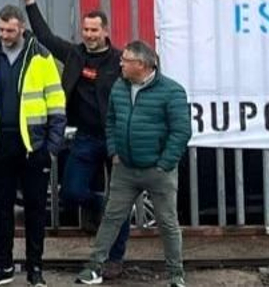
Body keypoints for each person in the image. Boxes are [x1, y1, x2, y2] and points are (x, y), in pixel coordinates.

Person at [17, 0, 127, 279]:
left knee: (120, 198)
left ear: (105, 31)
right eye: (86, 30)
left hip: (115, 137)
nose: (89, 35)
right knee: (73, 191)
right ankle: (99, 206)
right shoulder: (75, 55)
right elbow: (45, 36)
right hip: (86, 137)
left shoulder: (120, 61)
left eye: (94, 30)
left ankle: (115, 259)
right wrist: (31, 2)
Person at [0, 6, 66, 287]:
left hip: (33, 145)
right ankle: (4, 266)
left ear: (21, 27)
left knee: (34, 210)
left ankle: (35, 269)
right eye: (0, 30)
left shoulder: (40, 56)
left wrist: (51, 148)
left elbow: (57, 106)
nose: (4, 35)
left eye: (9, 30)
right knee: (2, 210)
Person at [75, 42, 192, 287]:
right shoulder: (120, 86)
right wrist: (114, 152)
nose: (120, 63)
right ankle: (95, 267)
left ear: (141, 64)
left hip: (158, 171)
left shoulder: (172, 91)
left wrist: (165, 163)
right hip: (125, 168)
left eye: (125, 60)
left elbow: (181, 131)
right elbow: (111, 122)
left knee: (167, 223)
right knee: (111, 218)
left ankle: (176, 274)